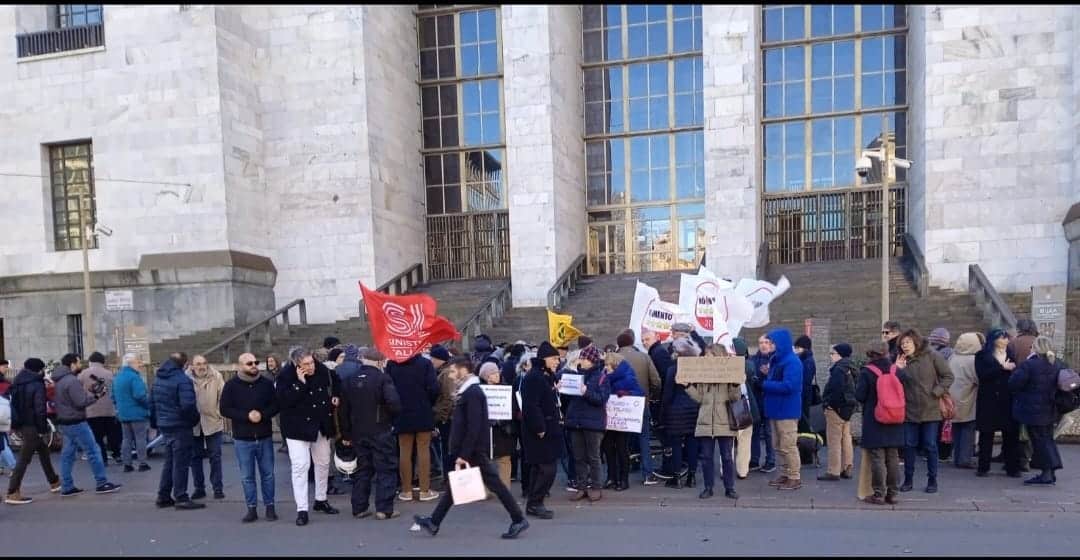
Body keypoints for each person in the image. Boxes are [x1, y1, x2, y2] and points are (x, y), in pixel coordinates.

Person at [414, 356, 529, 540]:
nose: (450, 375)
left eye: (453, 371)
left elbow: (474, 426)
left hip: (472, 450)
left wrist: (464, 454)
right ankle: (434, 522)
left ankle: (518, 519)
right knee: (457, 487)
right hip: (471, 449)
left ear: (464, 370)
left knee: (496, 485)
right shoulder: (468, 392)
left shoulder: (473, 393)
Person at [277, 350, 340, 526]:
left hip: (320, 424)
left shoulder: (322, 369)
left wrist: (335, 395)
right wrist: (300, 383)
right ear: (297, 365)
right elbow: (284, 401)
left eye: (311, 362)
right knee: (300, 466)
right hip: (297, 428)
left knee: (323, 463)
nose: (311, 366)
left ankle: (321, 499)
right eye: (306, 364)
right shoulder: (285, 376)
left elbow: (336, 381)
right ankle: (302, 509)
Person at [339, 347, 402, 520]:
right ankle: (384, 508)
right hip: (380, 429)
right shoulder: (383, 379)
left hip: (358, 431)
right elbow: (394, 403)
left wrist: (346, 434)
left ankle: (359, 507)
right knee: (386, 468)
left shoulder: (350, 380)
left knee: (363, 469)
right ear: (380, 362)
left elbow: (343, 410)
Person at [220, 352, 279, 523]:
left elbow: (276, 405)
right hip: (242, 438)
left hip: (264, 436)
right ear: (240, 366)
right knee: (247, 476)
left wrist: (262, 414)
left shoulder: (267, 384)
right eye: (249, 363)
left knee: (268, 474)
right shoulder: (231, 385)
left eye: (255, 362)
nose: (254, 365)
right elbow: (224, 409)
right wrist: (246, 416)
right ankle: (251, 508)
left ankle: (270, 506)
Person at [54, 353, 122, 497]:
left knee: (67, 454)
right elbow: (80, 402)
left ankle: (66, 486)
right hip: (76, 421)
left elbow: (72, 399)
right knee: (93, 451)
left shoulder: (60, 380)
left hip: (65, 421)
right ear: (72, 364)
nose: (80, 365)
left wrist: (90, 394)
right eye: (78, 362)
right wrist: (96, 396)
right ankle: (102, 482)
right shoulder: (71, 381)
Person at [895, 329, 954, 494]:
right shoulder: (901, 360)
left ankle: (932, 480)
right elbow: (893, 383)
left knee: (930, 445)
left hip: (931, 408)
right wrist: (897, 369)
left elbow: (948, 376)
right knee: (909, 445)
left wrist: (937, 392)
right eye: (902, 344)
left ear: (916, 342)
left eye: (907, 342)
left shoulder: (932, 355)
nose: (905, 346)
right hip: (909, 409)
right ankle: (908, 480)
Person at [686, 344, 742, 500]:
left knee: (727, 457)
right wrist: (688, 387)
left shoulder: (728, 372)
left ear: (716, 355)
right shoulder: (703, 375)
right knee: (706, 457)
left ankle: (729, 488)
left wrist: (736, 385)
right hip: (705, 421)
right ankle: (708, 487)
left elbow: (734, 398)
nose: (705, 357)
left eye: (708, 354)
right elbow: (699, 398)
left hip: (724, 420)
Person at [855, 340, 908, 505]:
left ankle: (878, 493)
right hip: (895, 417)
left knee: (877, 457)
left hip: (875, 418)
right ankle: (893, 493)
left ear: (870, 353)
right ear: (886, 352)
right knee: (892, 456)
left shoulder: (867, 372)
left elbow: (860, 396)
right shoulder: (896, 370)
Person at [1008, 336, 1064, 485]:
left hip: (1033, 410)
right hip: (1051, 408)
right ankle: (1051, 471)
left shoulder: (1030, 365)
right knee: (1047, 440)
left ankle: (1046, 473)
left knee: (1039, 442)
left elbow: (1014, 383)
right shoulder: (1058, 364)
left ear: (1036, 348)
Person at [4, 358, 61, 504]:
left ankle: (54, 481)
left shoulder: (17, 381)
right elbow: (40, 408)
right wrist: (42, 428)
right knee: (24, 458)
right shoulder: (36, 383)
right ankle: (12, 491)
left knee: (43, 450)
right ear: (39, 370)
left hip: (21, 422)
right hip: (33, 424)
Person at [386, 352, 440, 503]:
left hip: (401, 412)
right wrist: (427, 402)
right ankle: (424, 490)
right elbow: (434, 388)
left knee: (404, 451)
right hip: (423, 410)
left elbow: (388, 389)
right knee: (424, 450)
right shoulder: (425, 363)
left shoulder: (392, 364)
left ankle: (406, 490)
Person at [520, 341, 565, 520]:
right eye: (554, 359)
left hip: (547, 428)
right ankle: (535, 502)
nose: (557, 362)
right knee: (547, 469)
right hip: (540, 430)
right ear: (544, 359)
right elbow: (531, 406)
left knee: (540, 469)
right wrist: (540, 428)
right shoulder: (534, 377)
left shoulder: (544, 376)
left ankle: (534, 503)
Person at [152, 352, 202, 509]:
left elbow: (152, 402)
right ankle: (181, 496)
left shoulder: (159, 378)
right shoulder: (183, 380)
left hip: (165, 424)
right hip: (180, 425)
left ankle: (163, 495)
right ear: (185, 364)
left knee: (170, 462)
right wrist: (194, 420)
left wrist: (156, 422)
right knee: (181, 463)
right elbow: (188, 405)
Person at [561, 344, 611, 502]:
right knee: (578, 457)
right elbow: (567, 400)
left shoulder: (602, 376)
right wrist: (561, 390)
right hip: (575, 421)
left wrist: (586, 392)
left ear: (591, 360)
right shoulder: (576, 375)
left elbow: (602, 399)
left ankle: (596, 487)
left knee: (594, 456)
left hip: (593, 423)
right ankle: (582, 486)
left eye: (583, 358)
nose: (580, 360)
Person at [615, 330, 662, 485]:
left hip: (619, 405)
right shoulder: (644, 357)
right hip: (641, 402)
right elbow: (656, 381)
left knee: (621, 440)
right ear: (632, 342)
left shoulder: (613, 359)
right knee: (644, 438)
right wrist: (651, 396)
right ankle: (648, 474)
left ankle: (620, 475)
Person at [974, 329, 1021, 478]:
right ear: (993, 340)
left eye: (1006, 338)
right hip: (988, 399)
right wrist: (1001, 368)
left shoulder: (1011, 354)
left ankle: (1012, 467)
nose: (1005, 340)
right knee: (986, 434)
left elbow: (1016, 373)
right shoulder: (982, 355)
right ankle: (983, 467)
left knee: (1011, 435)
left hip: (1007, 398)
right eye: (1002, 338)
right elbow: (982, 375)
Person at [761, 329, 803, 491]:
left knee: (788, 445)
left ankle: (794, 477)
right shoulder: (777, 360)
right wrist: (767, 375)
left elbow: (789, 386)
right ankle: (785, 473)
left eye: (772, 343)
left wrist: (765, 384)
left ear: (780, 344)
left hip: (787, 410)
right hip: (776, 409)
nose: (769, 345)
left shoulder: (792, 362)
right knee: (778, 445)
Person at [661, 338, 703, 490]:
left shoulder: (673, 369)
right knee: (692, 443)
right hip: (694, 409)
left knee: (676, 445)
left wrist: (662, 413)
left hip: (675, 411)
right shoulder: (698, 368)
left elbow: (667, 394)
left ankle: (677, 477)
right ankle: (691, 477)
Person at [600, 352, 642, 491]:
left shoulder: (628, 376)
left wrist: (627, 394)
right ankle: (611, 477)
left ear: (615, 365)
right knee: (608, 448)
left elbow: (639, 393)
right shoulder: (604, 376)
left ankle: (623, 479)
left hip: (622, 419)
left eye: (608, 365)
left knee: (622, 448)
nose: (605, 368)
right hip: (609, 418)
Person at [188, 355, 225, 500]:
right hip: (193, 423)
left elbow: (223, 396)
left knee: (215, 456)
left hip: (213, 421)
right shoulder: (186, 378)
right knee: (195, 457)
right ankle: (199, 488)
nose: (201, 366)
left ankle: (218, 488)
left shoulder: (216, 376)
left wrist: (218, 413)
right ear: (192, 366)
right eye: (198, 364)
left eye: (204, 363)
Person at [819, 343, 857, 481]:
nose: (831, 356)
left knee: (834, 440)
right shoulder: (851, 367)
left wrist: (828, 405)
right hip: (848, 407)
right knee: (846, 438)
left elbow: (835, 390)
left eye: (833, 353)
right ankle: (847, 467)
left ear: (840, 354)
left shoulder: (838, 369)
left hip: (836, 409)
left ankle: (833, 470)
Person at [478, 361, 516, 489]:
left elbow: (512, 408)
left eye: (497, 372)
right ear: (486, 376)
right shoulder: (479, 390)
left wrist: (502, 420)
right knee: (485, 459)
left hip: (503, 429)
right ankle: (485, 489)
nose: (497, 375)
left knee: (504, 459)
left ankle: (504, 488)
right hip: (486, 430)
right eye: (493, 373)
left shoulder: (506, 389)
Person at [79, 352, 122, 465]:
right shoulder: (109, 374)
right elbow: (115, 390)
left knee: (97, 437)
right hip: (109, 410)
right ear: (102, 362)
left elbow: (78, 389)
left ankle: (103, 458)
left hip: (91, 410)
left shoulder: (83, 374)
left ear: (90, 361)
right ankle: (117, 454)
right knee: (112, 434)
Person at [947, 333, 983, 469]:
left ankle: (956, 457)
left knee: (956, 429)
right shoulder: (973, 360)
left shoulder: (953, 357)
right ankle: (964, 459)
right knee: (968, 429)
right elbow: (977, 379)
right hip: (968, 397)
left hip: (953, 396)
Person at [1007, 319, 1039, 470]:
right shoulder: (1040, 342)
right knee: (1034, 426)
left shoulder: (1014, 343)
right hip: (1038, 388)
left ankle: (1019, 458)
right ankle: (1032, 457)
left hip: (1018, 386)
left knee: (1018, 425)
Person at [113, 353, 152, 473]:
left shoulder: (117, 377)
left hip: (123, 414)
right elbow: (140, 395)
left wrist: (120, 407)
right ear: (131, 364)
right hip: (137, 413)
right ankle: (142, 463)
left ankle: (127, 464)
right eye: (137, 362)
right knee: (140, 438)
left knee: (126, 439)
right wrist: (148, 405)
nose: (139, 365)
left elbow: (113, 396)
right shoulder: (135, 377)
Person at [731, 338, 759, 479]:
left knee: (729, 439)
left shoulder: (726, 365)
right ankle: (743, 470)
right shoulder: (749, 365)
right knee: (744, 439)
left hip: (731, 404)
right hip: (744, 404)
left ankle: (726, 469)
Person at [748, 335, 776, 474]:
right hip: (756, 400)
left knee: (769, 432)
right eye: (760, 342)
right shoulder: (753, 360)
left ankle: (771, 460)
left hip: (770, 401)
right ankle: (754, 459)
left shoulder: (775, 360)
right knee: (754, 432)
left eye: (766, 342)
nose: (763, 345)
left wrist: (767, 376)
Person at [430, 344, 456, 488]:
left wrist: (442, 416)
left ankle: (449, 480)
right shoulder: (446, 371)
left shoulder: (446, 374)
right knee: (447, 449)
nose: (432, 361)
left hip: (448, 417)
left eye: (433, 358)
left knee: (448, 449)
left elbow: (448, 398)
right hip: (448, 416)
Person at [792, 336, 817, 434]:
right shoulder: (804, 359)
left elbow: (805, 382)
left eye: (798, 348)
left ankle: (805, 445)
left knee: (803, 422)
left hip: (803, 397)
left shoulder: (807, 361)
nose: (796, 350)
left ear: (804, 348)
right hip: (803, 396)